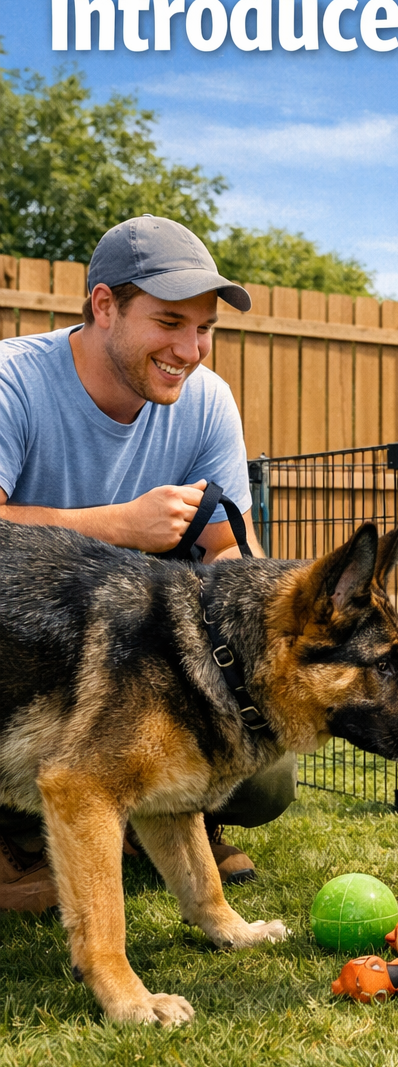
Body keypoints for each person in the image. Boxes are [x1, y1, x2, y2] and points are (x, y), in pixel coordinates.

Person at [0, 215, 296, 911]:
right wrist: (119, 525)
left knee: (266, 777)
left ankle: (144, 812)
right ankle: (16, 842)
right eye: (169, 322)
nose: (189, 350)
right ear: (105, 305)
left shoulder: (206, 401)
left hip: (130, 658)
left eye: (204, 328)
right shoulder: (14, 380)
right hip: (22, 658)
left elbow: (230, 550)